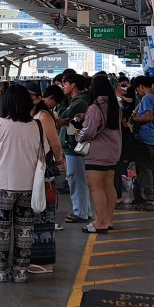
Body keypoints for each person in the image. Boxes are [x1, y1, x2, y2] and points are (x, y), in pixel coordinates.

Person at [0, 86, 52, 283]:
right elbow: (43, 155)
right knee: (25, 231)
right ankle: (20, 272)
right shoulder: (36, 126)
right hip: (29, 187)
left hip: (2, 185)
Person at [76, 76, 122, 232]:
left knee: (95, 186)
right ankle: (108, 220)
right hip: (113, 151)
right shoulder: (114, 105)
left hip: (98, 152)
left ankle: (100, 223)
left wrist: (79, 136)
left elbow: (88, 131)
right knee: (109, 185)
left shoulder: (96, 107)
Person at [30, 85, 67, 272]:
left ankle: (44, 262)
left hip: (43, 168)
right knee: (38, 209)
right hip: (36, 167)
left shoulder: (43, 116)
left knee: (43, 210)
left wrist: (60, 161)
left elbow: (55, 144)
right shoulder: (38, 115)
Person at [58, 73, 92, 223]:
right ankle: (84, 210)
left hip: (74, 147)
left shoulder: (79, 102)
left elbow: (63, 115)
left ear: (73, 85)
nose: (63, 87)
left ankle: (80, 212)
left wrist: (63, 105)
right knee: (78, 179)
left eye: (65, 84)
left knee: (76, 179)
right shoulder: (78, 100)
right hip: (72, 146)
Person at [129, 75, 154, 204]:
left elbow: (148, 116)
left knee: (145, 169)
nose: (137, 92)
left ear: (141, 87)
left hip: (146, 139)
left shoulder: (146, 99)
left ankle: (148, 197)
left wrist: (135, 119)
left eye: (137, 89)